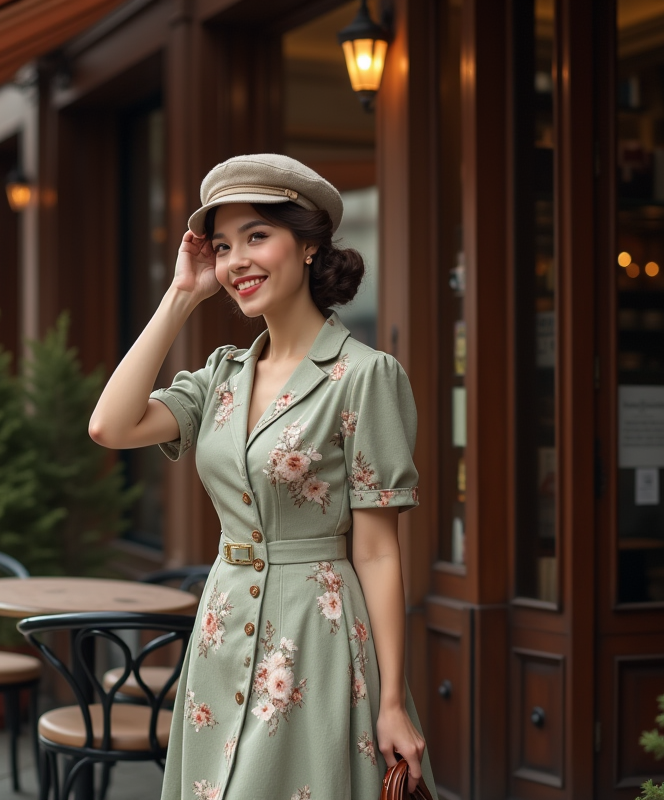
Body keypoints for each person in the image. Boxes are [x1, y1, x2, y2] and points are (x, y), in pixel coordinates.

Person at [90, 154, 434, 798]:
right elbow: (110, 426)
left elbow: (379, 549)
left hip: (317, 638)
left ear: (307, 245)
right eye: (223, 246)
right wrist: (182, 295)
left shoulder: (364, 375)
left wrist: (393, 700)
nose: (236, 261)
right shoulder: (221, 376)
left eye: (256, 236)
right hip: (221, 628)